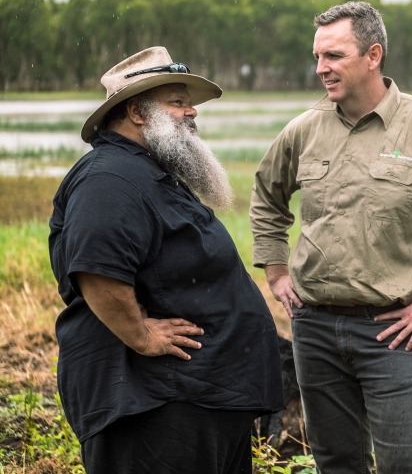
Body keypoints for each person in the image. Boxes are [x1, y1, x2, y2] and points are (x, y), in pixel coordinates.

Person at [249, 2, 412, 473]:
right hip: (314, 329)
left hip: (394, 333)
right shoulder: (304, 129)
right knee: (337, 463)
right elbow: (267, 197)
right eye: (318, 56)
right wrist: (275, 268)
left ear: (373, 55)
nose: (320, 69)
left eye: (333, 56)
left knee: (408, 466)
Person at [49, 47, 284, 474]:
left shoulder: (146, 173)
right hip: (156, 406)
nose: (192, 111)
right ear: (137, 111)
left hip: (195, 399)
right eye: (177, 102)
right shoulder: (109, 178)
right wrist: (141, 336)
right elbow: (96, 268)